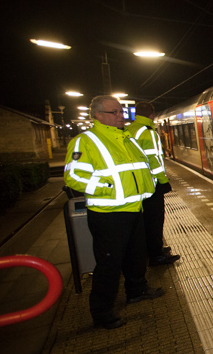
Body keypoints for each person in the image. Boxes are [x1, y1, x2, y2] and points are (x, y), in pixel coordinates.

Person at [64, 95, 165, 330]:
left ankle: (137, 290)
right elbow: (73, 176)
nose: (122, 116)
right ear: (98, 115)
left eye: (121, 112)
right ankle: (101, 311)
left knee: (136, 255)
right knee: (109, 263)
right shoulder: (85, 141)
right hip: (108, 214)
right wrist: (107, 188)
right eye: (115, 112)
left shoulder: (127, 138)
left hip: (134, 208)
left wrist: (150, 187)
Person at [127, 102, 181, 267]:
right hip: (151, 183)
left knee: (145, 220)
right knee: (154, 220)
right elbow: (154, 160)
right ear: (151, 115)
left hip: (138, 183)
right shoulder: (148, 132)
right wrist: (163, 181)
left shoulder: (129, 130)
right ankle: (156, 255)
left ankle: (151, 249)